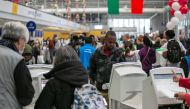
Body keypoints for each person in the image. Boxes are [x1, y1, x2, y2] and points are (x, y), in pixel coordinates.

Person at [0, 22, 34, 108]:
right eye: (25, 42)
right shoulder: (16, 59)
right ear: (21, 39)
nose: (24, 46)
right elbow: (26, 97)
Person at [89, 31, 125, 102]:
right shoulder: (97, 52)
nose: (112, 44)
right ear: (105, 40)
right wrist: (93, 80)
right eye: (110, 42)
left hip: (115, 89)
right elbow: (92, 68)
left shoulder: (119, 52)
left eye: (113, 42)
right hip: (100, 88)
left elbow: (124, 69)